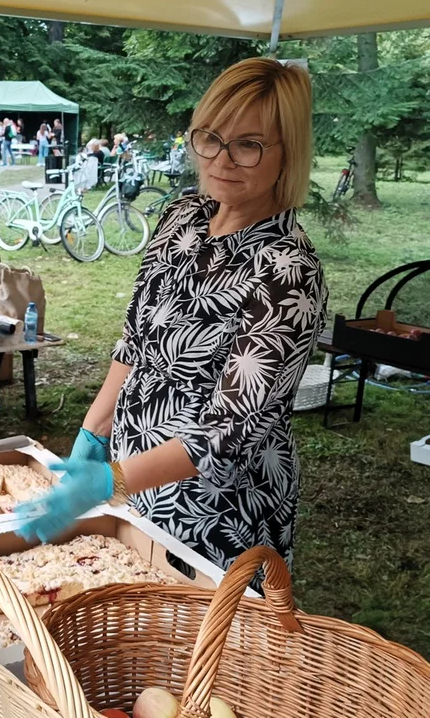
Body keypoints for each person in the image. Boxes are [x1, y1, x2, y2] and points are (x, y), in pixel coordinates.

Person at [16, 58, 326, 581]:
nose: (221, 159)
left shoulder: (289, 272)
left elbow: (227, 433)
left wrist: (108, 481)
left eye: (248, 144)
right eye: (209, 136)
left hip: (221, 511)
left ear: (287, 153)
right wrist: (93, 431)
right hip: (136, 480)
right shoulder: (183, 216)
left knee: (202, 649)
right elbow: (135, 339)